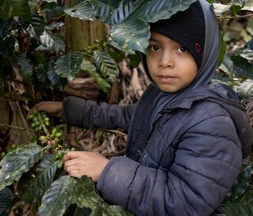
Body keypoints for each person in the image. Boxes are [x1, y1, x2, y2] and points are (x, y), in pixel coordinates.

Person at [30, 0, 253, 215]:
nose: (165, 61)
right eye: (155, 47)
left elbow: (185, 204)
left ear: (206, 53)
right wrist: (69, 110)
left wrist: (107, 171)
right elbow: (130, 116)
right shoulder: (161, 95)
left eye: (182, 49)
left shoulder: (213, 123)